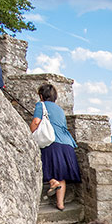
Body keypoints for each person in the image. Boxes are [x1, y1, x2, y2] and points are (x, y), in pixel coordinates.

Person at [30, 83, 81, 211]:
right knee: (61, 175)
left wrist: (30, 135)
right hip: (68, 145)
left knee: (42, 166)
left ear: (41, 96)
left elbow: (36, 122)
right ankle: (60, 204)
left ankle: (53, 182)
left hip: (52, 143)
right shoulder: (59, 110)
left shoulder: (40, 105)